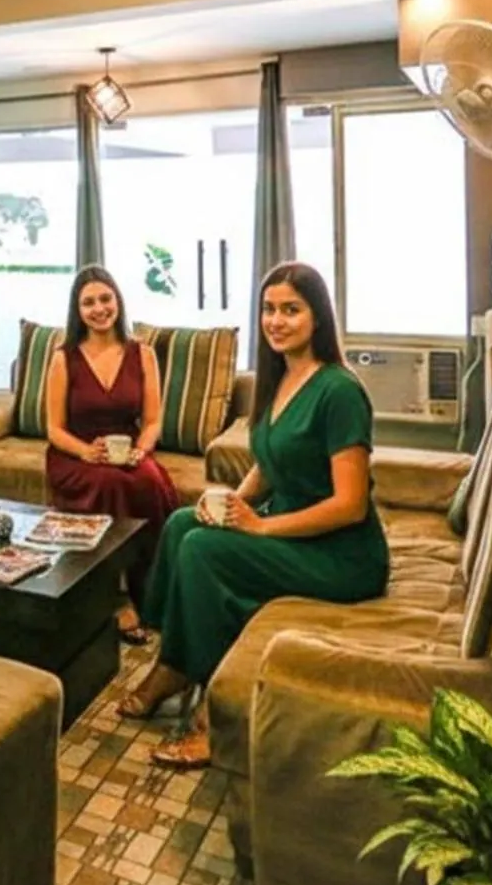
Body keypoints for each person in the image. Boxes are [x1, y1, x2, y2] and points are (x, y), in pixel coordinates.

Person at [118, 260, 388, 770]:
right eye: (269, 309)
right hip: (294, 529)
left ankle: (215, 716)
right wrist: (228, 500)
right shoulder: (281, 378)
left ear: (318, 318)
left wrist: (261, 524)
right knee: (182, 524)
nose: (277, 321)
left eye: (292, 310)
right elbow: (270, 460)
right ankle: (175, 661)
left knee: (203, 550)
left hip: (341, 554)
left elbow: (350, 505)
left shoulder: (339, 391)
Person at [43, 265, 180, 643]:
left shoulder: (144, 354)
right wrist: (86, 452)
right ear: (78, 310)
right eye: (89, 302)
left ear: (118, 301)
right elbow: (54, 429)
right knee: (108, 483)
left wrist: (141, 450)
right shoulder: (63, 357)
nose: (99, 308)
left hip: (128, 451)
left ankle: (155, 595)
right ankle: (115, 596)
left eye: (106, 299)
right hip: (76, 455)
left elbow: (152, 421)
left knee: (150, 482)